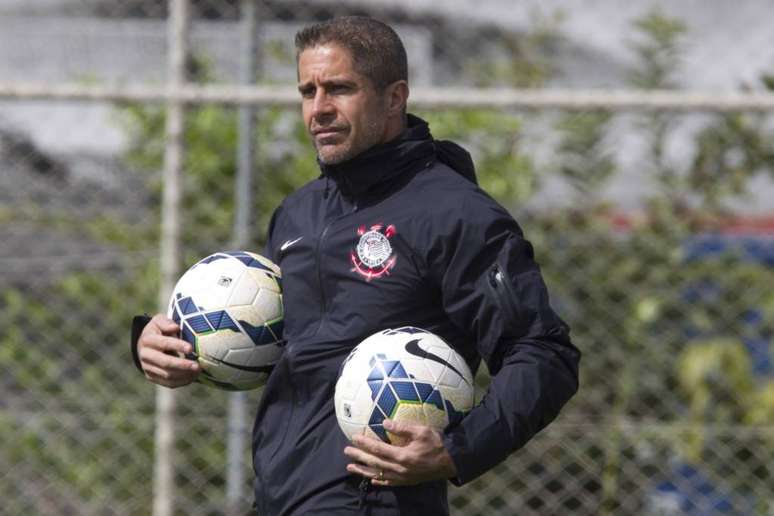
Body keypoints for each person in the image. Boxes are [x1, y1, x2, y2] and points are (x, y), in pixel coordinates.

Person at [132, 16, 580, 515]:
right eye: (308, 91)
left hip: (374, 501)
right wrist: (169, 344)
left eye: (340, 89)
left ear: (394, 97)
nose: (319, 109)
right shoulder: (298, 213)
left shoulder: (456, 215)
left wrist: (457, 449)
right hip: (279, 497)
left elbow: (542, 352)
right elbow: (287, 352)